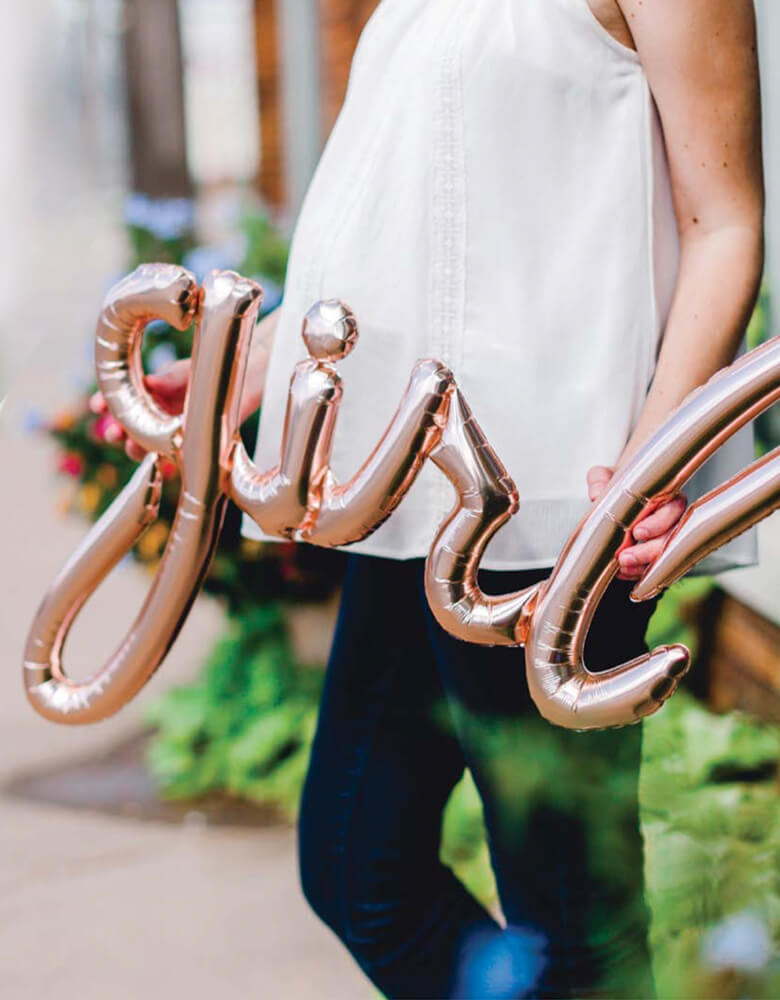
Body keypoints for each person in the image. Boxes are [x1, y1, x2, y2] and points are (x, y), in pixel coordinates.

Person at [94, 0, 764, 995]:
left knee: (573, 919)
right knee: (360, 866)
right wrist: (252, 363)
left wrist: (647, 464)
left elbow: (725, 222)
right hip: (409, 498)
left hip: (556, 514)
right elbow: (410, 235)